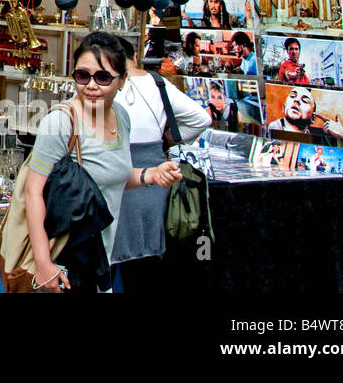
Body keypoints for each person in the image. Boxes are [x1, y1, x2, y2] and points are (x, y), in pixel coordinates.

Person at [24, 32, 182, 292]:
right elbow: (33, 191)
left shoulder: (122, 118)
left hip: (99, 261)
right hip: (63, 264)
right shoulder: (61, 122)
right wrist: (43, 265)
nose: (91, 85)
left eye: (103, 77)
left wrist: (150, 175)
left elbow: (111, 176)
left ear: (122, 81)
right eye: (82, 76)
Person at [109, 40, 212, 292]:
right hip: (155, 183)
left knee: (108, 260)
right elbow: (202, 118)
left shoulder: (102, 84)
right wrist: (170, 138)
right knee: (147, 266)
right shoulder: (157, 82)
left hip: (115, 177)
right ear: (136, 56)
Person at [267, 85, 343, 140]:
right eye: (292, 96)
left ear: (312, 118)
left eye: (305, 100)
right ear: (284, 108)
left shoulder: (323, 136)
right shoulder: (268, 130)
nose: (296, 100)